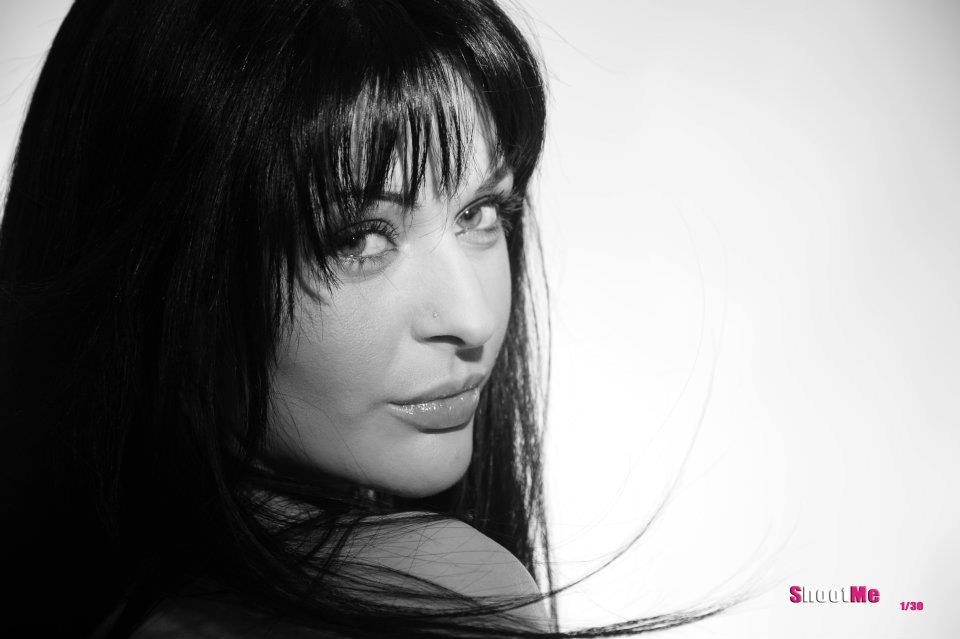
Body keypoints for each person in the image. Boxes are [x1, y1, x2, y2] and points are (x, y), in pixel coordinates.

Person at [0, 0, 728, 636]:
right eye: (358, 237)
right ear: (163, 269)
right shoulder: (436, 591)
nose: (473, 318)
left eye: (480, 213)